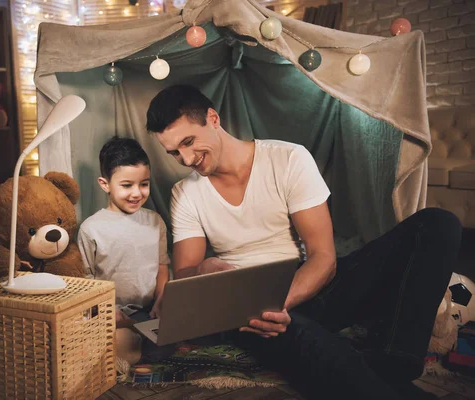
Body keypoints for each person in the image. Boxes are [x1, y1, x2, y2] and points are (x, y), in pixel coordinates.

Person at [145, 84, 462, 400]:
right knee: (308, 343)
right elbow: (185, 273)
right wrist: (204, 268)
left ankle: (398, 359)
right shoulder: (184, 194)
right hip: (246, 305)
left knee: (437, 224)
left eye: (188, 142)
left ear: (213, 119)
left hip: (310, 284)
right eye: (173, 152)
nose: (185, 158)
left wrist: (277, 304)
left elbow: (324, 257)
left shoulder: (288, 158)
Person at [77, 137, 170, 363]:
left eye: (144, 184)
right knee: (118, 346)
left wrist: (161, 300)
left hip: (147, 311)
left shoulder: (155, 221)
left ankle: (137, 346)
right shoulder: (91, 228)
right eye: (127, 185)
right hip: (106, 310)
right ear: (105, 184)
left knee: (165, 348)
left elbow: (162, 266)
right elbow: (85, 279)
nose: (137, 193)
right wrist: (107, 307)